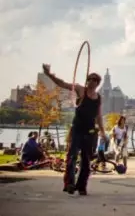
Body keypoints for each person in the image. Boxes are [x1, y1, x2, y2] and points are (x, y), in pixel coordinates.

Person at [42, 63, 106, 195]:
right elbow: (62, 84)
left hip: (90, 131)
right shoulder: (80, 89)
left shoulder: (98, 97)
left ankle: (81, 186)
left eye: (95, 80)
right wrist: (49, 74)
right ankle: (69, 184)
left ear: (98, 83)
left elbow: (99, 116)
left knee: (86, 160)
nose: (92, 82)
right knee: (72, 156)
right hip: (77, 129)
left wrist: (103, 132)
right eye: (90, 79)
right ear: (87, 80)